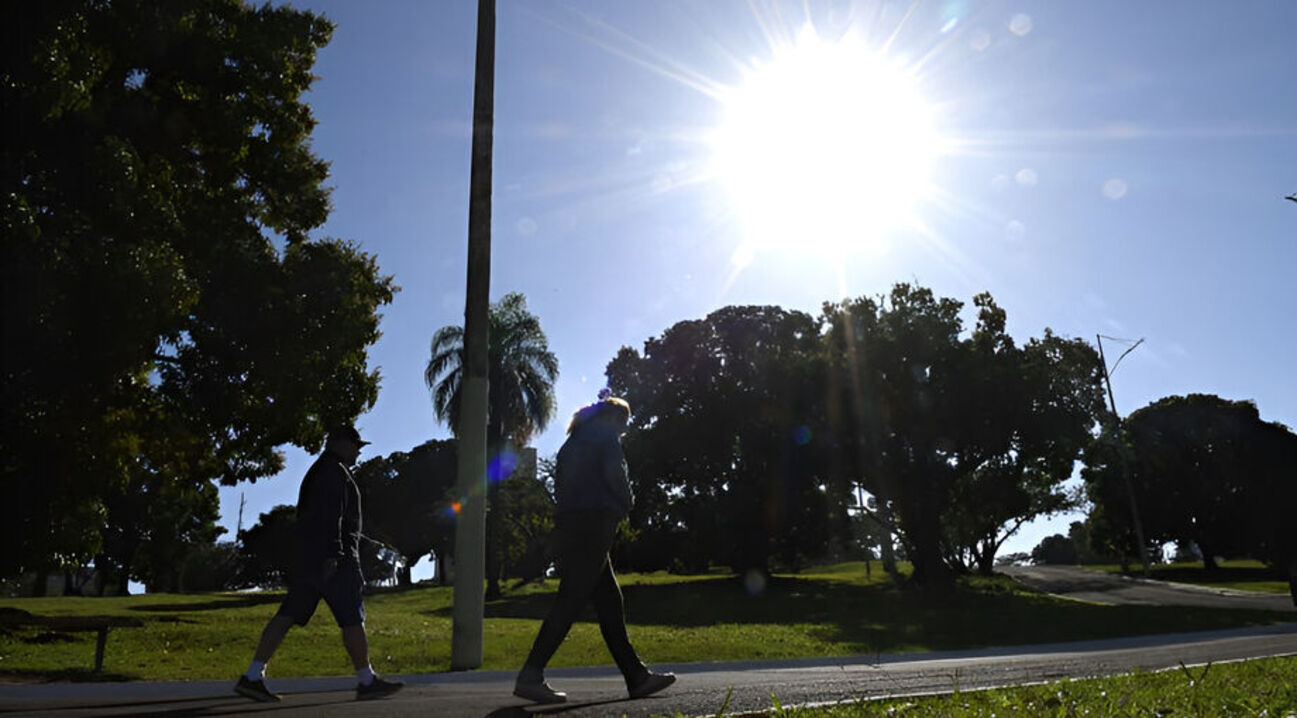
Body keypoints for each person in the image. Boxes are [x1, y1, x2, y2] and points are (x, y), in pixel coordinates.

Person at [513, 395, 676, 704]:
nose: (624, 429)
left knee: (610, 602)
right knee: (571, 600)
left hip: (572, 525)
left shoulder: (570, 445)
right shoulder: (606, 439)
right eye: (624, 422)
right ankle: (531, 674)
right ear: (613, 418)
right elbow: (616, 474)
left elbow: (561, 489)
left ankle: (637, 677)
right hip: (595, 525)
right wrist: (627, 503)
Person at [234, 425, 404, 703]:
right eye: (354, 443)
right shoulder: (332, 472)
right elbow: (329, 517)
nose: (358, 450)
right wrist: (335, 554)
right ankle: (366, 680)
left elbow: (329, 518)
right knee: (352, 617)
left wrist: (359, 542)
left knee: (288, 614)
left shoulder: (325, 471)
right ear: (335, 442)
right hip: (333, 562)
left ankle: (252, 676)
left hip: (312, 559)